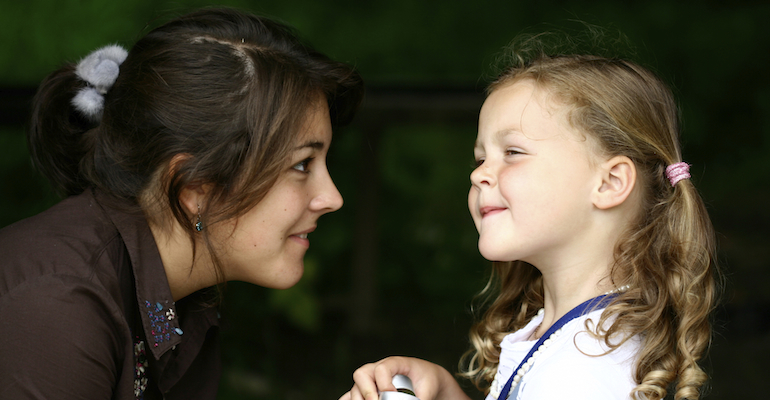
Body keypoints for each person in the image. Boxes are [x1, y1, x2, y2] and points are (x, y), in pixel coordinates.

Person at [0, 7, 363, 400]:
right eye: (302, 164)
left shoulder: (177, 295)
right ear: (194, 188)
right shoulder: (58, 306)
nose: (333, 198)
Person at [340, 37, 717, 400]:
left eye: (513, 152)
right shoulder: (571, 340)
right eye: (480, 158)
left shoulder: (579, 375)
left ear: (609, 183)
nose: (478, 174)